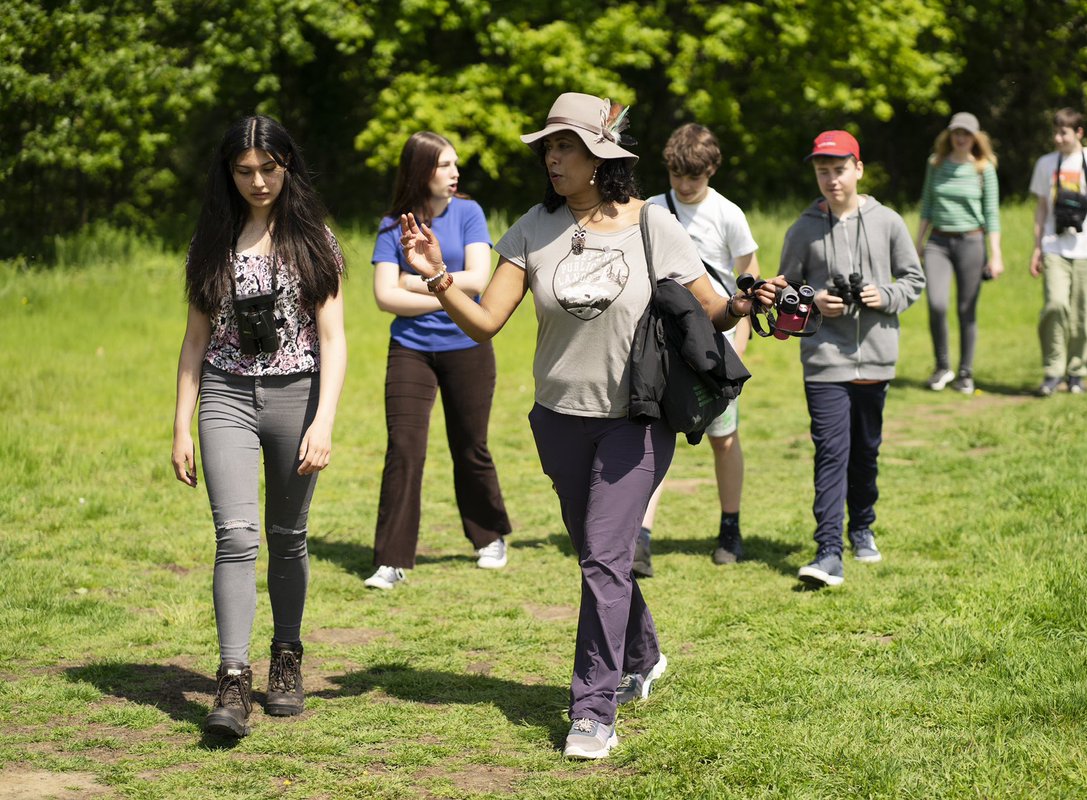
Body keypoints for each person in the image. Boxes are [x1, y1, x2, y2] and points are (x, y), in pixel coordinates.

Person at [393, 92, 777, 759]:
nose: (552, 157)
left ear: (601, 156)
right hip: (558, 422)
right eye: (548, 146)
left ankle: (593, 710)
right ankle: (646, 653)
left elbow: (715, 309)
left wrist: (752, 297)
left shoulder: (655, 225)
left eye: (564, 145)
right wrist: (436, 280)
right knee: (603, 557)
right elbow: (486, 321)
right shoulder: (530, 230)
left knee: (603, 557)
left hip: (636, 418)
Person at [171, 115, 346, 737]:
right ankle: (232, 679)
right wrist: (181, 426)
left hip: (297, 397)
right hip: (225, 397)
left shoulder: (315, 241)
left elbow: (334, 338)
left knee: (287, 536)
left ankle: (287, 658)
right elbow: (194, 342)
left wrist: (323, 421)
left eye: (267, 169)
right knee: (236, 537)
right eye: (244, 171)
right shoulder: (210, 241)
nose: (257, 181)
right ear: (228, 174)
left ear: (286, 167)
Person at [363, 132, 512, 591]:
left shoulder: (469, 213)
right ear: (421, 170)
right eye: (445, 165)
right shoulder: (393, 226)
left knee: (471, 445)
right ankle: (391, 560)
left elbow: (480, 278)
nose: (455, 173)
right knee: (404, 449)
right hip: (410, 349)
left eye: (455, 164)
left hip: (468, 345)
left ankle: (490, 536)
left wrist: (417, 283)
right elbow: (385, 297)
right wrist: (445, 290)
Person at [778, 130, 924, 589]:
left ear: (858, 169)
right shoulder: (802, 229)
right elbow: (784, 292)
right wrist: (815, 301)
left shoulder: (889, 222)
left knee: (865, 452)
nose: (831, 179)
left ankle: (861, 526)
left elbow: (914, 279)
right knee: (830, 452)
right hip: (824, 358)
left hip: (876, 357)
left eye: (839, 170)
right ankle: (828, 552)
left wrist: (885, 294)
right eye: (823, 171)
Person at [634, 123, 762, 574]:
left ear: (711, 170)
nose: (685, 186)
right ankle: (641, 538)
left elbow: (748, 279)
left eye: (694, 177)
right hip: (662, 347)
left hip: (715, 346)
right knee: (653, 439)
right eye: (676, 176)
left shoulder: (729, 214)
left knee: (723, 441)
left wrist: (738, 351)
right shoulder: (650, 209)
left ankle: (730, 527)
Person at [1029, 107, 1087, 396]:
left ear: (1079, 133)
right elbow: (1042, 208)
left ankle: (1076, 372)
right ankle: (1052, 370)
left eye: (1064, 133)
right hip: (1054, 246)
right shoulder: (1046, 163)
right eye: (1055, 132)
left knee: (1083, 314)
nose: (1058, 138)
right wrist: (1036, 248)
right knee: (1056, 305)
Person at [915, 112, 1004, 395]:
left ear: (976, 137)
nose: (961, 138)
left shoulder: (983, 168)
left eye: (966, 133)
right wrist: (917, 243)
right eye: (957, 133)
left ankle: (965, 372)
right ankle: (942, 367)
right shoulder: (936, 163)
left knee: (967, 309)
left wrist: (996, 254)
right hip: (938, 242)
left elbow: (991, 213)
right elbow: (927, 204)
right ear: (950, 135)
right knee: (937, 303)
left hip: (971, 242)